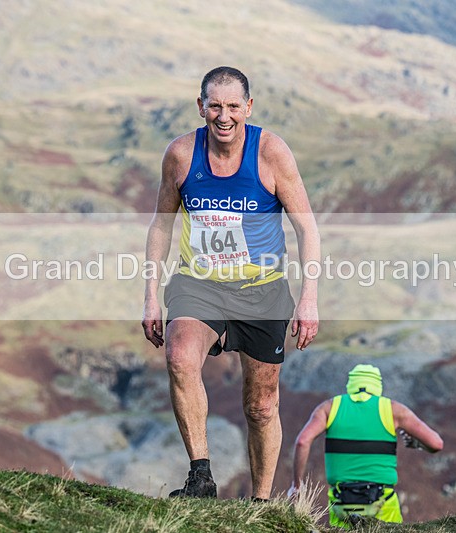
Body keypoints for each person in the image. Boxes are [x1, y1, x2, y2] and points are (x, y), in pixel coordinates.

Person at [142, 66, 320, 500]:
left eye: (233, 106)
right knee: (181, 357)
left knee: (261, 405)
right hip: (199, 284)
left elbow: (307, 229)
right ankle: (200, 477)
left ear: (249, 107)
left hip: (263, 290)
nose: (224, 116)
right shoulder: (182, 155)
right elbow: (161, 226)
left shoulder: (271, 153)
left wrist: (309, 299)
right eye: (215, 106)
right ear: (200, 106)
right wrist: (150, 296)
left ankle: (260, 502)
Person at [288, 364, 443, 527]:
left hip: (342, 504)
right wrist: (416, 444)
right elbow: (436, 443)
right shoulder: (393, 410)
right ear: (378, 385)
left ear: (351, 384)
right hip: (384, 504)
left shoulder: (329, 408)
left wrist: (296, 486)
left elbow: (302, 441)